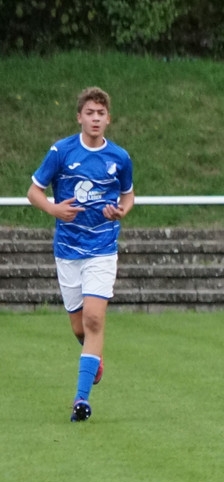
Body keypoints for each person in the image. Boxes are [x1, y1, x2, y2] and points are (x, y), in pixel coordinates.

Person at [27, 86, 135, 422]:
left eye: (101, 114)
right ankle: (94, 359)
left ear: (108, 119)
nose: (95, 118)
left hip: (102, 249)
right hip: (67, 251)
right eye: (90, 113)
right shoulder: (61, 151)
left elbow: (128, 196)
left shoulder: (119, 157)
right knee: (78, 327)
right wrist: (54, 209)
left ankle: (81, 400)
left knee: (93, 319)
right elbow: (33, 192)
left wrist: (121, 212)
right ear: (79, 117)